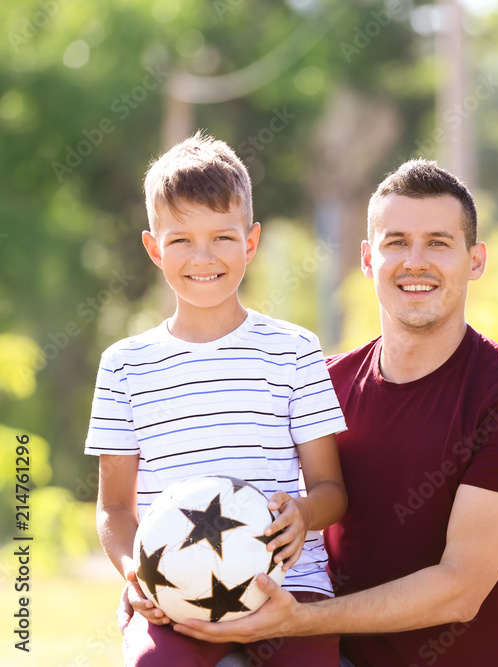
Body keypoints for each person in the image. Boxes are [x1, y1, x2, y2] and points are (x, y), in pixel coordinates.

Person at [176, 159, 498, 666]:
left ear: (475, 260)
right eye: (396, 241)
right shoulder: (321, 383)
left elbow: (459, 590)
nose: (416, 261)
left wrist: (300, 620)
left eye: (439, 243)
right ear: (367, 258)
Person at [86, 131, 349, 667]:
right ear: (153, 247)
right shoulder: (123, 365)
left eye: (222, 238)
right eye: (180, 239)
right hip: (174, 597)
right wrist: (138, 573)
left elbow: (332, 492)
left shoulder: (295, 351)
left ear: (250, 243)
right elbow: (114, 507)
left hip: (288, 588)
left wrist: (302, 512)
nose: (202, 257)